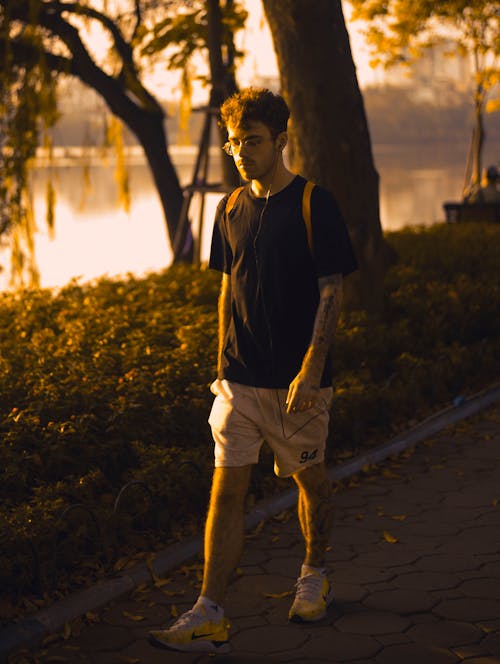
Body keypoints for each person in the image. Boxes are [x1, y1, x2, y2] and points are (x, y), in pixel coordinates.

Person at [149, 87, 358, 654]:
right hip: (239, 381)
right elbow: (227, 287)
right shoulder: (230, 208)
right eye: (235, 141)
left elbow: (332, 291)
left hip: (297, 387)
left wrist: (312, 369)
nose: (241, 151)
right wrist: (222, 364)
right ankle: (209, 611)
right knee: (226, 492)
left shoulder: (316, 203)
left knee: (309, 481)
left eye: (254, 141)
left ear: (281, 141)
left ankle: (314, 572)